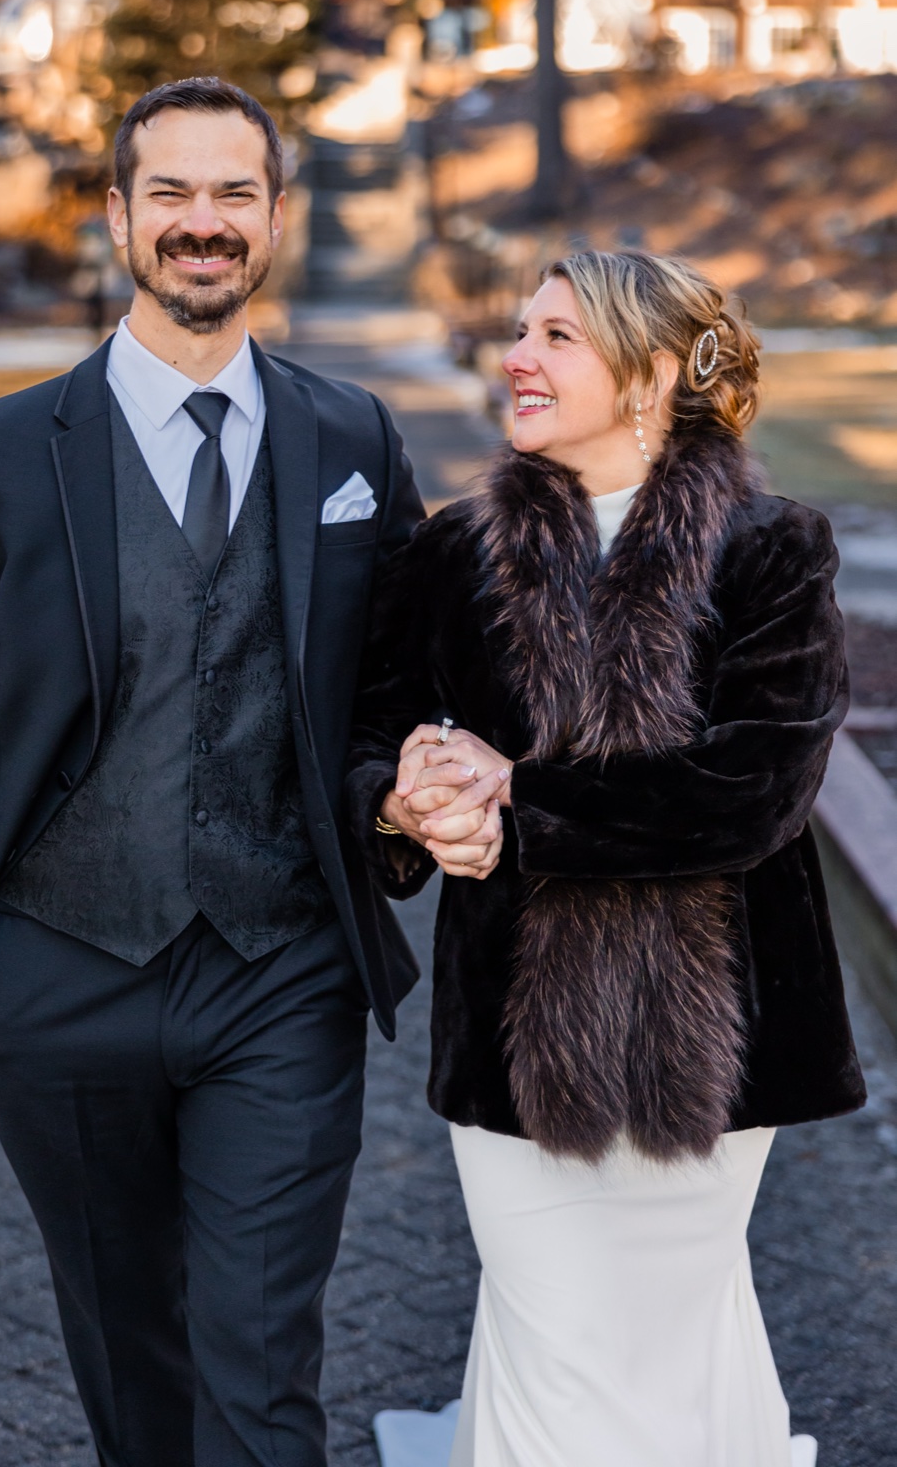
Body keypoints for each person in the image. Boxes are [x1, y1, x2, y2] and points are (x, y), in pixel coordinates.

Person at [0, 76, 424, 1467]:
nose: (203, 223)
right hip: (54, 974)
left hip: (280, 970)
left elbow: (401, 685)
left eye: (232, 193)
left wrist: (400, 805)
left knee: (259, 1368)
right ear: (118, 214)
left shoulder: (352, 440)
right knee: (133, 1363)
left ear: (274, 217)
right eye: (169, 193)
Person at [348, 250, 865, 1467]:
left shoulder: (771, 547)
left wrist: (517, 797)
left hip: (722, 1039)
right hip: (515, 1043)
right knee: (558, 1343)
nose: (515, 356)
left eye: (556, 336)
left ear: (649, 375)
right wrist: (409, 799)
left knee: (670, 1333)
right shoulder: (454, 551)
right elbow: (371, 729)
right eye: (518, 331)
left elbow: (754, 789)